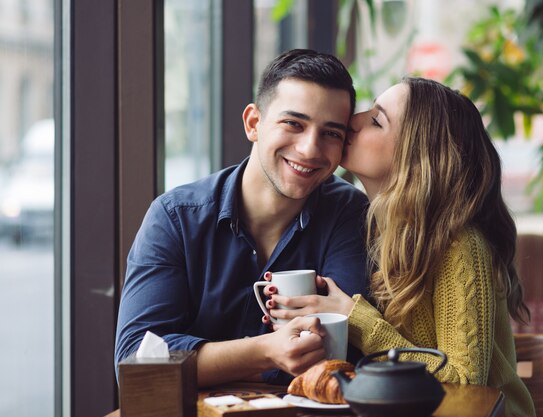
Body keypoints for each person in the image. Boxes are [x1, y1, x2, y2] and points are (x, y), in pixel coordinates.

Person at [264, 77, 536, 416]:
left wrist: (356, 318)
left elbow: (465, 384)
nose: (354, 120)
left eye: (376, 120)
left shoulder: (460, 246)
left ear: (417, 158)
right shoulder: (381, 234)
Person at [114, 49, 369, 387]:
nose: (310, 149)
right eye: (293, 123)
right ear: (253, 124)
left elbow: (343, 347)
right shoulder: (175, 218)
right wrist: (266, 351)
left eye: (331, 133)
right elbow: (137, 361)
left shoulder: (348, 213)